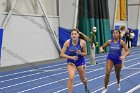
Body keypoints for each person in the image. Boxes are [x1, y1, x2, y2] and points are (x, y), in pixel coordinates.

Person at [60, 29, 89, 93]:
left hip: (80, 62)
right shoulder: (67, 42)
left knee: (83, 79)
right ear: (70, 36)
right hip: (71, 62)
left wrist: (80, 53)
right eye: (72, 34)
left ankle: (86, 87)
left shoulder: (82, 42)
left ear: (78, 35)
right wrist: (70, 57)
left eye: (75, 34)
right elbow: (61, 54)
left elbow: (86, 53)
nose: (74, 35)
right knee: (71, 78)